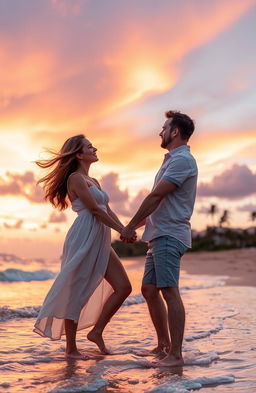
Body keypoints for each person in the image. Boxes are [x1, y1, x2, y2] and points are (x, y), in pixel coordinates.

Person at [34, 135, 134, 359]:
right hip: (85, 235)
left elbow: (106, 209)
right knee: (76, 289)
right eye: (90, 147)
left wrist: (125, 229)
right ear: (79, 154)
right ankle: (71, 349)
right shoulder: (75, 179)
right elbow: (96, 211)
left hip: (100, 237)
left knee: (124, 286)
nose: (95, 148)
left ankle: (96, 331)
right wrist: (121, 231)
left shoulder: (94, 181)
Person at [121, 110, 198, 367]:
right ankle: (163, 346)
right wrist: (133, 227)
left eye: (164, 127)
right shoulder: (170, 161)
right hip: (158, 235)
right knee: (149, 290)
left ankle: (175, 355)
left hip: (169, 234)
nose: (160, 131)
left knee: (168, 290)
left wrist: (131, 225)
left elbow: (155, 197)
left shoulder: (182, 161)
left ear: (175, 131)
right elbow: (159, 202)